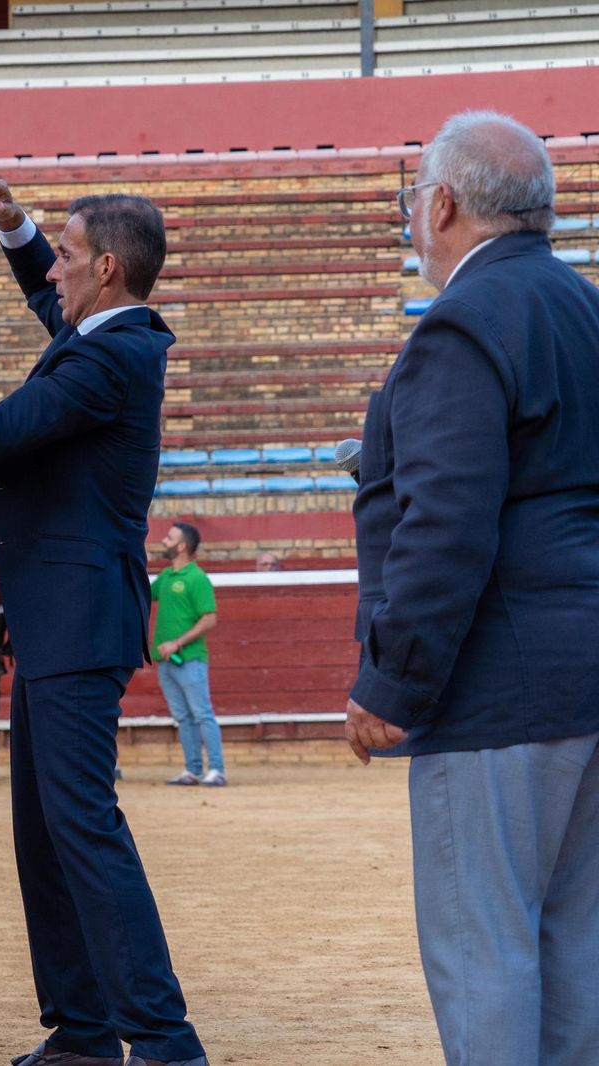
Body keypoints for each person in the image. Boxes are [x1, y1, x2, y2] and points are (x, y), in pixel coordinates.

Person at [0, 182, 206, 1066]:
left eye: (64, 254)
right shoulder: (107, 337)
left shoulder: (109, 358)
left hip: (77, 622)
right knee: (48, 829)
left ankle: (166, 1042)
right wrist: (14, 226)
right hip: (64, 620)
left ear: (105, 270)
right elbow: (45, 297)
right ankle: (86, 1031)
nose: (51, 271)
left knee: (82, 828)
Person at [347, 111, 599, 1066]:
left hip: (501, 688)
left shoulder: (462, 324)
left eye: (416, 199)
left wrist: (391, 682)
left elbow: (446, 526)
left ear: (442, 203)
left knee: (484, 953)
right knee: (577, 950)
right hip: (586, 674)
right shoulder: (585, 308)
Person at [151, 523, 225, 787]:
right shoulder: (166, 578)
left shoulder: (197, 578)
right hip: (166, 661)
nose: (163, 541)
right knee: (183, 716)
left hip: (189, 658)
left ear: (181, 545)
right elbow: (143, 593)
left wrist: (177, 643)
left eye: (169, 537)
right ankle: (193, 769)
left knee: (201, 713)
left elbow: (209, 619)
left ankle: (217, 769)